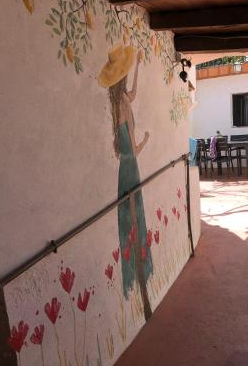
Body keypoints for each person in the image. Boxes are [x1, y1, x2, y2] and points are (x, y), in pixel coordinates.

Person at [98, 44, 153, 319]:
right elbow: (132, 148)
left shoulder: (116, 101)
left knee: (128, 221)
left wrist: (140, 67)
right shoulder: (124, 106)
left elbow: (134, 93)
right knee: (135, 219)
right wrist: (144, 140)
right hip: (131, 167)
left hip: (124, 168)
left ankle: (133, 274)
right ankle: (138, 272)